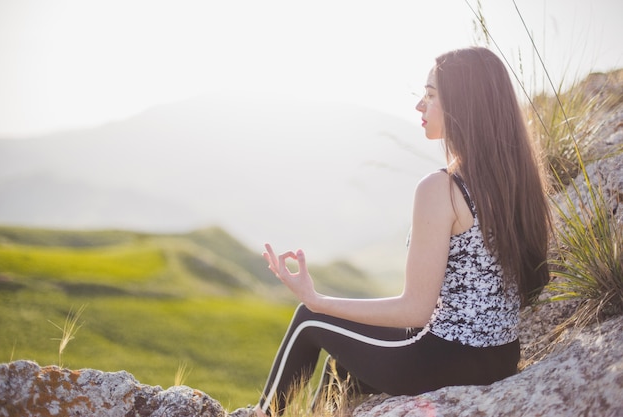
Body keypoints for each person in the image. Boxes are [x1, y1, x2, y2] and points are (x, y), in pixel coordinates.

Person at [235, 46, 551, 417]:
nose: (420, 105)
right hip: (500, 356)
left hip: (443, 360)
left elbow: (416, 309)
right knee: (343, 363)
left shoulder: (441, 189)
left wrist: (318, 299)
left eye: (431, 96)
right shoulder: (517, 183)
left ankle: (260, 414)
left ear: (461, 106)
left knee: (310, 319)